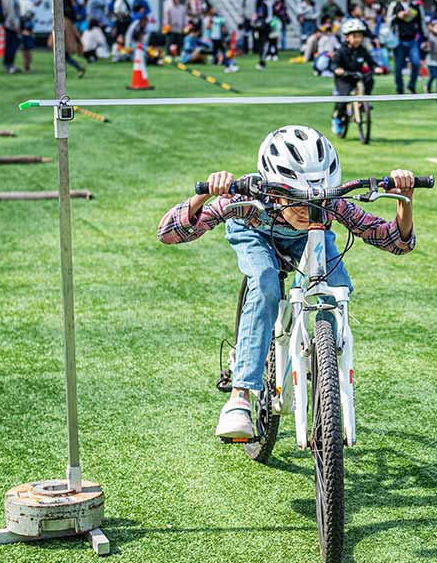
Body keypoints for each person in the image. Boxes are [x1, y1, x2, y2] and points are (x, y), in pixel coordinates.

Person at [156, 127, 419, 438]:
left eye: (317, 200)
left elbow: (394, 241)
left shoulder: (326, 204)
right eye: (297, 201)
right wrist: (206, 194)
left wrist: (405, 201)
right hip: (254, 233)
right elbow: (168, 233)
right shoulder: (245, 196)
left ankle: (324, 368)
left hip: (310, 240)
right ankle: (239, 397)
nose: (309, 210)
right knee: (266, 283)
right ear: (275, 190)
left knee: (337, 286)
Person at [331, 17, 379, 136]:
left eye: (360, 36)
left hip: (358, 76)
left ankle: (364, 102)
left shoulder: (362, 50)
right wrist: (338, 70)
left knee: (369, 79)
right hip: (344, 78)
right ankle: (337, 118)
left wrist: (376, 68)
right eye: (354, 36)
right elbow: (334, 64)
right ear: (347, 37)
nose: (358, 39)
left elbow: (371, 62)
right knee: (344, 96)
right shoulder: (341, 51)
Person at [385, 0, 424, 94]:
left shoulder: (416, 6)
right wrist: (398, 16)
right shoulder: (394, 5)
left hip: (413, 40)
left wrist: (425, 38)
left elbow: (421, 23)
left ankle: (411, 85)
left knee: (416, 63)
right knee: (398, 67)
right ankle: (399, 88)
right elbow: (388, 21)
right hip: (398, 40)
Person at [1, 0, 20, 74]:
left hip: (10, 24)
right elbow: (10, 12)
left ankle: (9, 65)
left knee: (12, 45)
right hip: (10, 25)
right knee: (11, 46)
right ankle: (9, 65)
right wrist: (14, 25)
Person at [19, 0, 38, 73]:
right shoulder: (28, 2)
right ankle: (28, 67)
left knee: (24, 49)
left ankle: (26, 66)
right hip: (28, 26)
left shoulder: (21, 1)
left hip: (21, 26)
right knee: (28, 48)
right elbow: (31, 14)